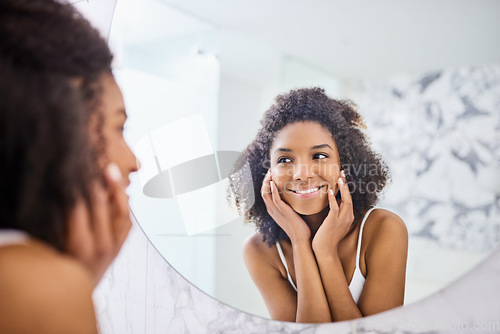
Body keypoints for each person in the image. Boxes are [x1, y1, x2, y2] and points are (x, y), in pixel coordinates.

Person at [0, 0, 138, 332]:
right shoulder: (39, 290)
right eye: (118, 128)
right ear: (54, 130)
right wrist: (69, 288)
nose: (133, 162)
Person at [231, 87, 408, 323]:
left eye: (320, 156)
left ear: (343, 163)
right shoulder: (260, 251)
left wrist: (325, 252)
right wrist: (300, 241)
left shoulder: (384, 229)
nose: (302, 174)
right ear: (267, 172)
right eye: (285, 160)